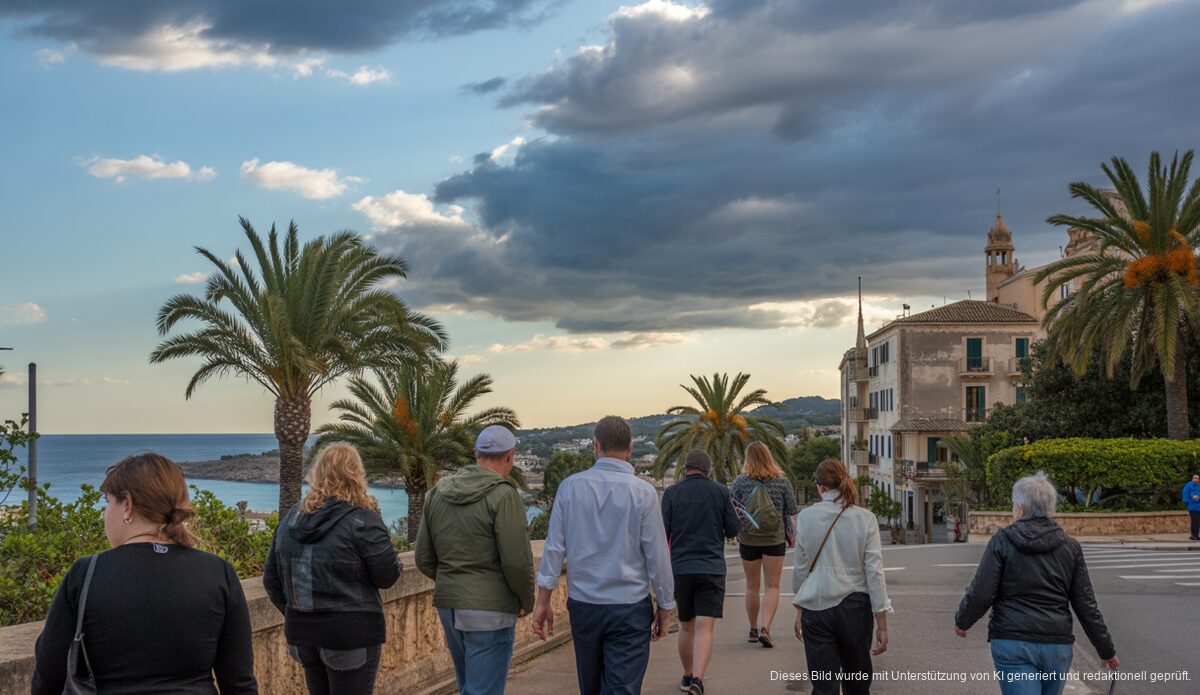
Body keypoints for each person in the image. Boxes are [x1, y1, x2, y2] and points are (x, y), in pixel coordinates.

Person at [32, 453, 257, 694]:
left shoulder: (86, 574)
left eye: (108, 502)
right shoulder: (218, 572)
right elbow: (239, 684)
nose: (105, 514)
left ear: (127, 505)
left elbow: (48, 675)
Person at [532, 415, 675, 695]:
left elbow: (554, 550)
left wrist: (543, 601)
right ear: (630, 448)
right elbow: (658, 556)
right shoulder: (644, 493)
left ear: (595, 445)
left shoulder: (570, 487)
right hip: (630, 607)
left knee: (591, 686)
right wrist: (665, 607)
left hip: (584, 605)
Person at [955, 472, 1118, 695]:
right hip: (1057, 646)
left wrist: (963, 620)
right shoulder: (1070, 547)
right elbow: (1086, 605)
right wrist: (1106, 650)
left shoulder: (1002, 541)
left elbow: (982, 592)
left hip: (1013, 642)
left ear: (1021, 510)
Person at [263, 443, 401, 695]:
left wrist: (298, 614)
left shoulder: (292, 518)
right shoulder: (362, 519)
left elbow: (271, 580)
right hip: (350, 635)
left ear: (317, 473)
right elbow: (386, 576)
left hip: (303, 635)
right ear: (356, 474)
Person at [415, 425, 535, 695]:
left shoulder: (437, 492)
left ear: (475, 453)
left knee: (468, 686)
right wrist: (525, 600)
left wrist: (452, 580)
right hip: (491, 608)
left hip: (449, 605)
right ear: (510, 456)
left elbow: (423, 557)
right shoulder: (504, 495)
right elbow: (516, 561)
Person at [791, 458, 891, 695]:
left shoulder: (805, 518)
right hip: (855, 607)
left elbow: (801, 570)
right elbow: (874, 572)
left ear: (821, 487)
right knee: (857, 684)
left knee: (824, 686)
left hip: (816, 606)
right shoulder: (866, 518)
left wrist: (799, 607)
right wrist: (882, 622)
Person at [661, 449, 741, 695]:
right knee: (704, 627)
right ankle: (698, 679)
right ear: (708, 470)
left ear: (686, 469)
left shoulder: (672, 493)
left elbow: (662, 533)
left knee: (686, 626)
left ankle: (687, 675)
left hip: (681, 568)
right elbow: (732, 530)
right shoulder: (721, 492)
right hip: (711, 568)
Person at [730, 440, 797, 648]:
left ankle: (752, 628)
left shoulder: (740, 482)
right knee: (772, 585)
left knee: (752, 585)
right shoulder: (782, 482)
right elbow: (791, 510)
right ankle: (765, 628)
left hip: (748, 538)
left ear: (747, 459)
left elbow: (733, 509)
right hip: (774, 539)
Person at [1183, 473, 1200, 541]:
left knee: (1196, 521)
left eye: (1196, 478)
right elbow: (1185, 494)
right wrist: (1187, 503)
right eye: (1193, 478)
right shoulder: (1189, 485)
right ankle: (1195, 535)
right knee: (1195, 521)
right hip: (1193, 507)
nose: (1194, 479)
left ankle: (1194, 535)